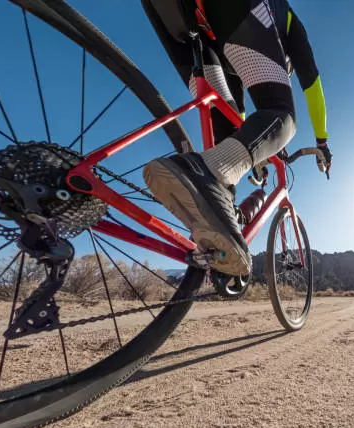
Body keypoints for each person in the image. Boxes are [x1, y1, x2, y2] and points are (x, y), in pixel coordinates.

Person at [142, 0, 332, 276]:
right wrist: (322, 142)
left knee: (225, 130)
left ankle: (218, 233)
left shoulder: (235, 64)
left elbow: (237, 118)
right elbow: (313, 85)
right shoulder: (289, 22)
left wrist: (249, 152)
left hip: (174, 16)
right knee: (282, 114)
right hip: (233, 10)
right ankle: (199, 170)